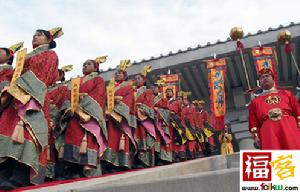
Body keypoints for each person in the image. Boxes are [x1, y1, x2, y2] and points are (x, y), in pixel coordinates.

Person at [0, 27, 63, 189]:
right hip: (15, 101)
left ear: (49, 40)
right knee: (8, 137)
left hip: (32, 101)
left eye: (40, 35)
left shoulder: (50, 55)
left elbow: (42, 76)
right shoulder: (25, 56)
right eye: (34, 35)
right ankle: (6, 173)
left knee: (27, 137)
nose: (35, 37)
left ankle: (21, 175)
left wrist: (18, 84)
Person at [58, 56, 107, 179]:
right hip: (74, 115)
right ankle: (71, 168)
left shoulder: (98, 79)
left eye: (88, 64)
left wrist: (82, 105)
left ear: (96, 67)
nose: (85, 66)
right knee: (71, 138)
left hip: (88, 116)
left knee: (85, 141)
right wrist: (69, 107)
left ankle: (82, 168)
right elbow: (68, 95)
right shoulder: (76, 81)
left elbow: (98, 96)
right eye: (84, 64)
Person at [248, 68, 300, 149]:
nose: (265, 78)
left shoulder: (286, 94)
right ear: (259, 82)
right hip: (268, 131)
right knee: (275, 157)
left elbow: (298, 112)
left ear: (273, 79)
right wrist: (256, 137)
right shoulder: (255, 102)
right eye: (262, 77)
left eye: (267, 76)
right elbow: (253, 122)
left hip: (289, 126)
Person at [101, 60, 137, 172]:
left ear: (125, 76)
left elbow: (129, 101)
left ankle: (121, 164)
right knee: (110, 140)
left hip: (121, 118)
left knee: (120, 140)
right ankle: (109, 162)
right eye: (116, 73)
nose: (117, 74)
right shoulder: (110, 88)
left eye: (120, 73)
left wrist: (117, 106)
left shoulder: (128, 87)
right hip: (110, 118)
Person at [133, 66, 157, 168]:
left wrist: (139, 109)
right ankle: (135, 160)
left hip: (143, 119)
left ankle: (144, 161)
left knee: (143, 138)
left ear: (144, 80)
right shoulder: (132, 91)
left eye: (139, 78)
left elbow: (149, 104)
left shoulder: (148, 92)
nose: (137, 80)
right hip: (134, 117)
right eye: (135, 79)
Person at [152, 83, 173, 164]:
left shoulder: (163, 100)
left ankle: (164, 158)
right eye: (152, 88)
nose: (153, 89)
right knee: (155, 141)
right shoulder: (150, 99)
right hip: (152, 122)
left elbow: (167, 112)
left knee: (162, 141)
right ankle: (156, 159)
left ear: (159, 89)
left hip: (161, 123)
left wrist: (158, 110)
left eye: (155, 88)